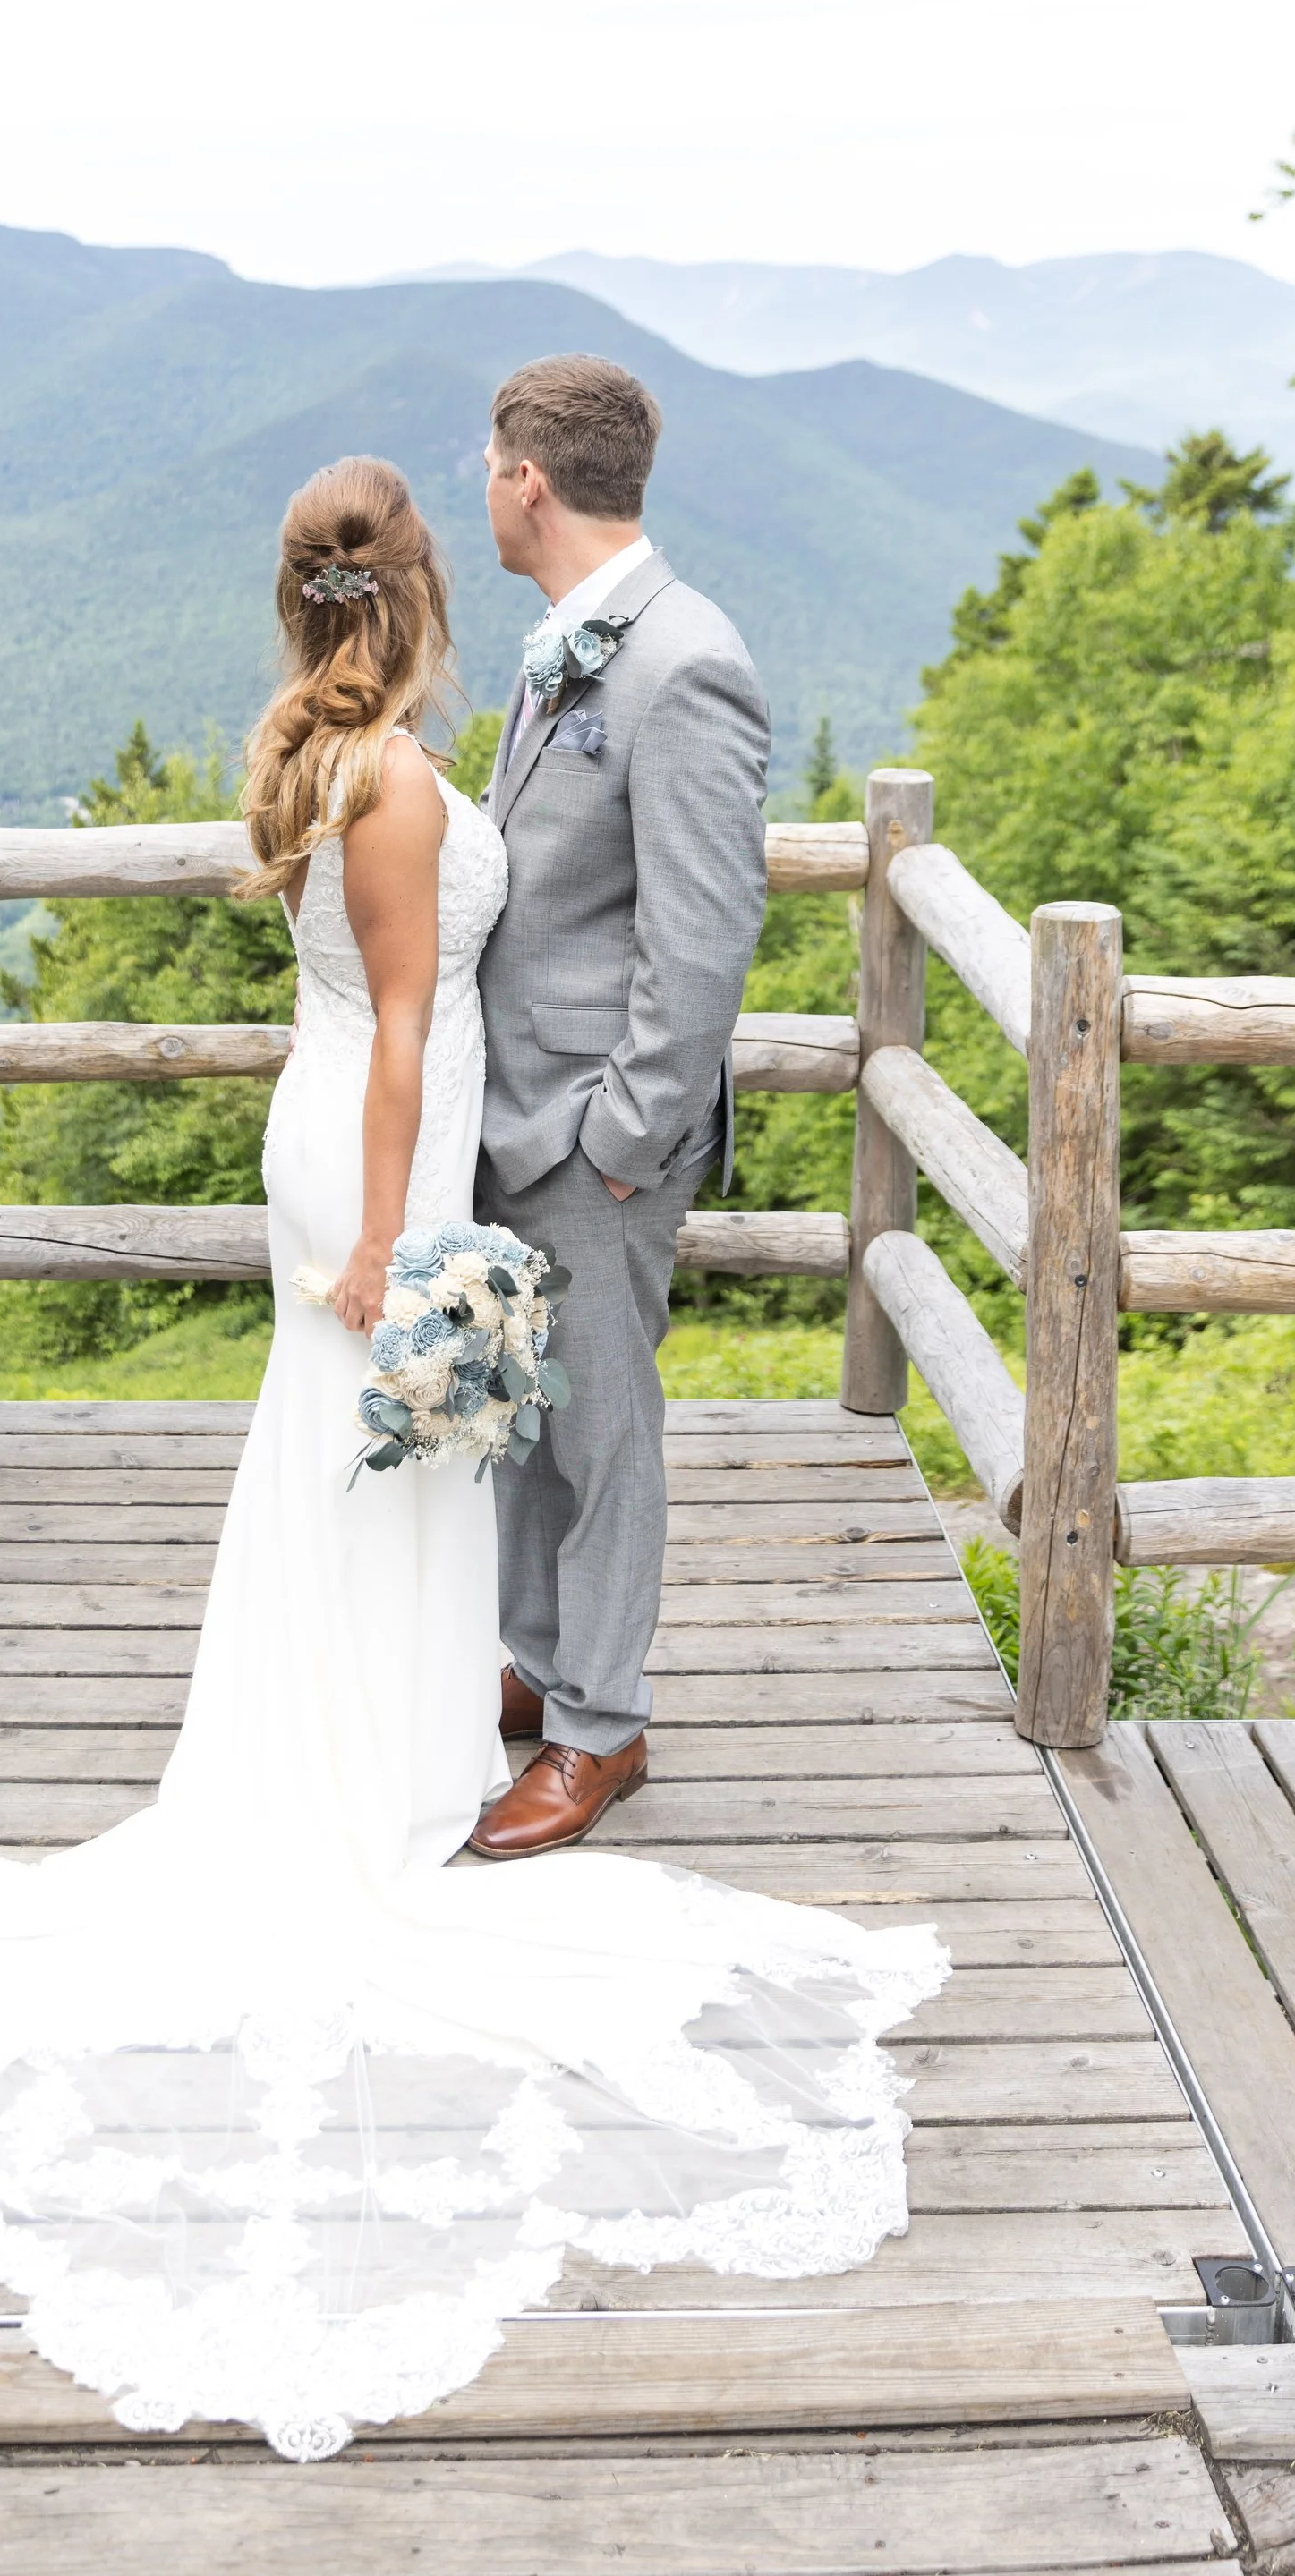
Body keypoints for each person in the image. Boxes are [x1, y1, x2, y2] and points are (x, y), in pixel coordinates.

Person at [0, 453, 942, 2464]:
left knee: (395, 1455)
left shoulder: (326, 747)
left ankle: (433, 1710)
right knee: (397, 1450)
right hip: (382, 1145)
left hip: (372, 1130)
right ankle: (398, 1756)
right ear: (414, 593)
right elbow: (403, 1023)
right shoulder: (407, 781)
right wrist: (383, 1233)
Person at [472, 353, 771, 1857]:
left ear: (529, 480)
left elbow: (704, 937)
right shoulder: (569, 642)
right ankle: (542, 1665)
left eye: (488, 468)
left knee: (603, 1435)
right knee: (523, 1422)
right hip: (513, 1114)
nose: (485, 491)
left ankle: (604, 1728)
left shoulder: (682, 660)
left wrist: (621, 1139)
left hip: (595, 1134)